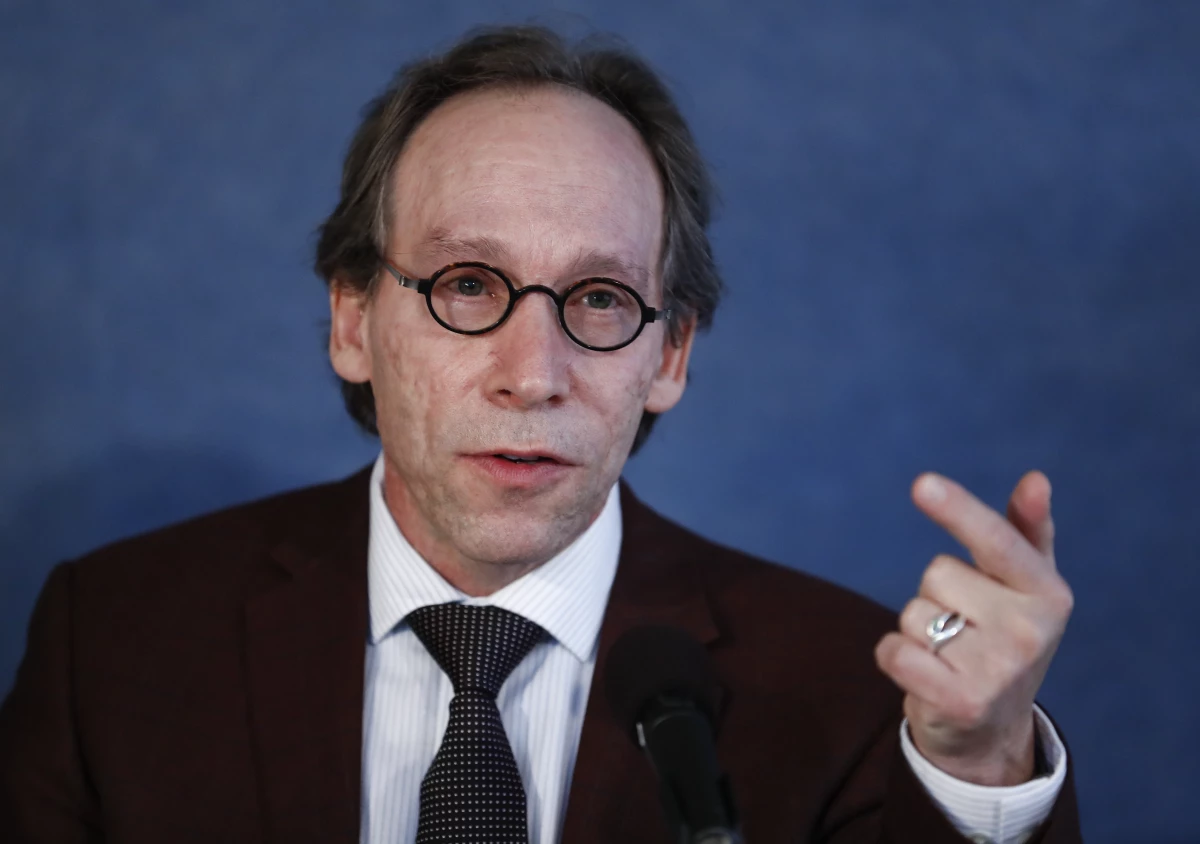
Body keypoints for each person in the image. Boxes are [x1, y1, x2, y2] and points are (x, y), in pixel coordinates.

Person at [0, 25, 1080, 844]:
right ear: (351, 320)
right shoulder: (113, 643)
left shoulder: (854, 691)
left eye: (601, 298)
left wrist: (981, 766)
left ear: (669, 357)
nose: (533, 374)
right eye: (468, 284)